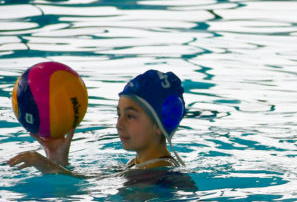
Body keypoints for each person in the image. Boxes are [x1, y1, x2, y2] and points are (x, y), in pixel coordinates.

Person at [7, 69, 186, 175]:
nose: (119, 125)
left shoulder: (159, 173)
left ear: (160, 123)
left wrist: (50, 167)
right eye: (118, 114)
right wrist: (58, 160)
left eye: (130, 116)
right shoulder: (136, 164)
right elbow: (90, 181)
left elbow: (85, 189)